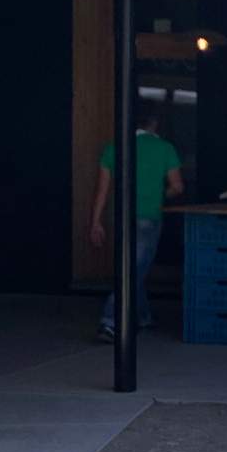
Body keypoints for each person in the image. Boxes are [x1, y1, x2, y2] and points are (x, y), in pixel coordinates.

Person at [90, 105, 184, 341]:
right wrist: (160, 195)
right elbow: (177, 186)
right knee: (134, 270)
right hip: (149, 216)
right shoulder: (165, 148)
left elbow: (102, 190)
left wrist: (95, 222)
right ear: (155, 124)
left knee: (132, 266)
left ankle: (143, 316)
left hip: (121, 217)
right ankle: (109, 320)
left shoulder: (114, 147)